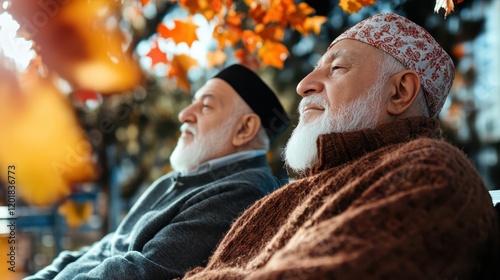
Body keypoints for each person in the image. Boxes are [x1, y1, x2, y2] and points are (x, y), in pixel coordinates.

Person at [183, 13, 500, 280]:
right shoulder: (278, 200)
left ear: (400, 92)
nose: (303, 85)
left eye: (336, 68)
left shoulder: (432, 172)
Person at [25, 64, 290, 279]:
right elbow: (106, 246)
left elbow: (143, 272)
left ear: (245, 129)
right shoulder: (179, 179)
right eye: (192, 103)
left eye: (206, 106)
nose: (185, 114)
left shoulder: (243, 190)